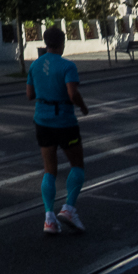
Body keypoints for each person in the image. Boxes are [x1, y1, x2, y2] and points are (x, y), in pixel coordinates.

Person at [27, 26, 89, 235]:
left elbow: (29, 94)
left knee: (49, 170)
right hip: (64, 122)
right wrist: (83, 107)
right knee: (77, 165)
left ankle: (49, 219)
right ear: (62, 43)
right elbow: (72, 93)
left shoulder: (35, 66)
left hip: (42, 121)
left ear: (45, 43)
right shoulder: (67, 66)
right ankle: (69, 208)